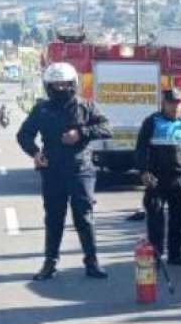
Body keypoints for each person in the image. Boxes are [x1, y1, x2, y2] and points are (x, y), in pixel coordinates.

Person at [16, 62, 112, 281]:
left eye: (65, 84)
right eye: (55, 85)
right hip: (52, 172)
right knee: (53, 218)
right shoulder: (41, 109)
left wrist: (81, 133)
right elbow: (24, 135)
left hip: (81, 171)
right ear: (48, 86)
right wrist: (34, 153)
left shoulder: (86, 106)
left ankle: (92, 262)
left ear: (73, 84)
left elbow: (107, 128)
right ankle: (50, 264)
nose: (60, 89)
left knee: (84, 218)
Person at [135, 88, 181, 266]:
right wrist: (143, 172)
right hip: (156, 179)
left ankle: (176, 254)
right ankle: (156, 256)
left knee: (178, 220)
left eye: (178, 103)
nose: (175, 107)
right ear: (163, 103)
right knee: (156, 219)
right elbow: (141, 149)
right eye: (171, 103)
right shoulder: (152, 122)